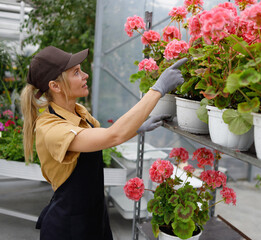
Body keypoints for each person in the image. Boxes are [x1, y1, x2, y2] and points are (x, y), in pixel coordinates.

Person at [20, 46, 187, 240]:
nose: (85, 75)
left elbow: (101, 139)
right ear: (55, 86)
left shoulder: (79, 111)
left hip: (94, 217)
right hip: (68, 228)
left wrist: (137, 128)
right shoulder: (50, 127)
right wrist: (157, 89)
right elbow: (112, 136)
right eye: (76, 72)